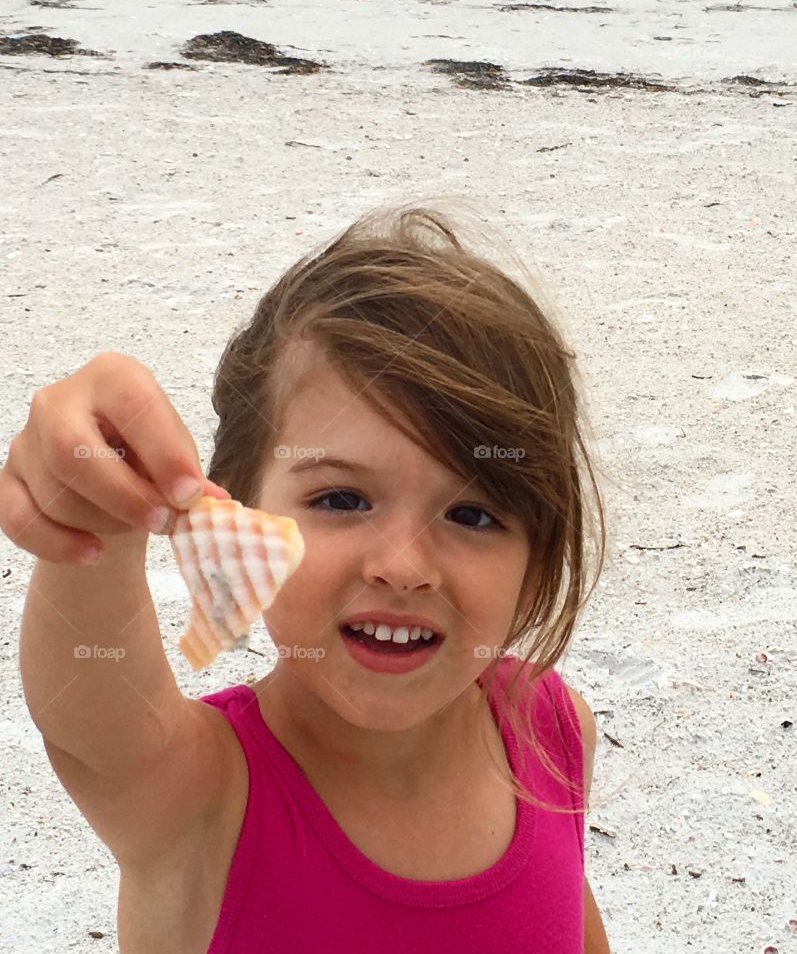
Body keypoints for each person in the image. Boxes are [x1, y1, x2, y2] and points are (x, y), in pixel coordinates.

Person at [5, 202, 613, 953]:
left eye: (474, 516)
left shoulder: (550, 727)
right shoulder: (196, 795)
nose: (403, 566)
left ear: (539, 555)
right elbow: (92, 717)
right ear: (231, 513)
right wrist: (97, 517)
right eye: (342, 499)